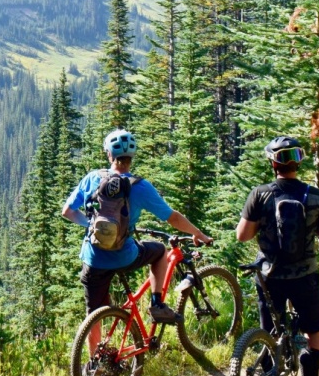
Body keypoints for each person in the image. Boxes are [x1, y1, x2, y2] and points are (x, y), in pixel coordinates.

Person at [61, 129, 212, 339]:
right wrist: (198, 233)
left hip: (93, 258)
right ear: (131, 157)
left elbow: (67, 211)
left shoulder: (92, 179)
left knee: (93, 314)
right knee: (160, 251)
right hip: (125, 255)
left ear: (108, 155)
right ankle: (157, 303)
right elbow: (172, 217)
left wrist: (91, 225)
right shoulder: (139, 186)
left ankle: (93, 366)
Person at [235, 136, 319, 376]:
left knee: (270, 331)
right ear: (299, 161)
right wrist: (312, 228)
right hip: (305, 276)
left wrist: (263, 225)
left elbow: (242, 235)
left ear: (273, 163)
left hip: (270, 276)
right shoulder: (315, 195)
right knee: (313, 333)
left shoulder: (260, 194)